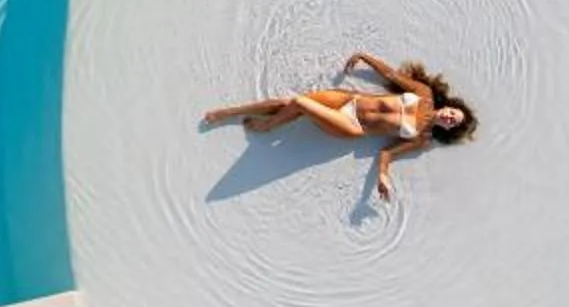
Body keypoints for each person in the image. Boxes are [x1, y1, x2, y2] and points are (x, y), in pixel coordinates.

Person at [205, 53, 478, 200]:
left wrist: (383, 178)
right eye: (455, 113)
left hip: (351, 125)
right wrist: (364, 56)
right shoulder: (424, 93)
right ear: (451, 105)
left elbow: (386, 155)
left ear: (448, 128)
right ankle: (230, 112)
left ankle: (269, 127)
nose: (451, 117)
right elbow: (391, 75)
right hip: (349, 99)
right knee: (288, 102)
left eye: (453, 122)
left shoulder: (421, 138)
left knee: (299, 103)